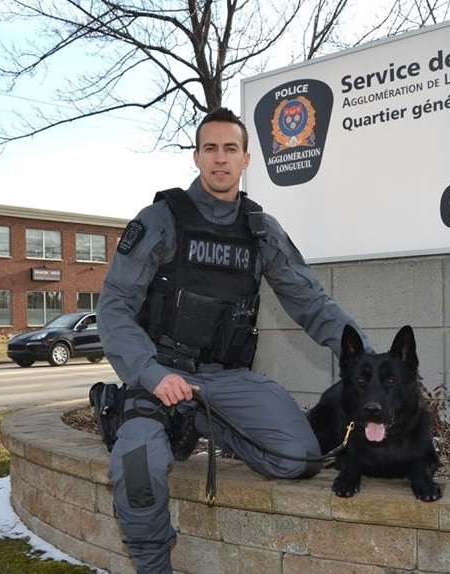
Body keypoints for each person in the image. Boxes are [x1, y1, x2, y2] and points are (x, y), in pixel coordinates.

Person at [96, 107, 371, 574]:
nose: (219, 159)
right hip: (159, 376)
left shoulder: (262, 231)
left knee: (298, 458)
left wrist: (366, 359)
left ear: (246, 160)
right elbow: (115, 306)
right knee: (138, 471)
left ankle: (201, 422)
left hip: (227, 382)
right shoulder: (161, 220)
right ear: (197, 157)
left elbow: (312, 303)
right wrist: (151, 373)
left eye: (230, 149)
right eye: (210, 149)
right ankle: (153, 562)